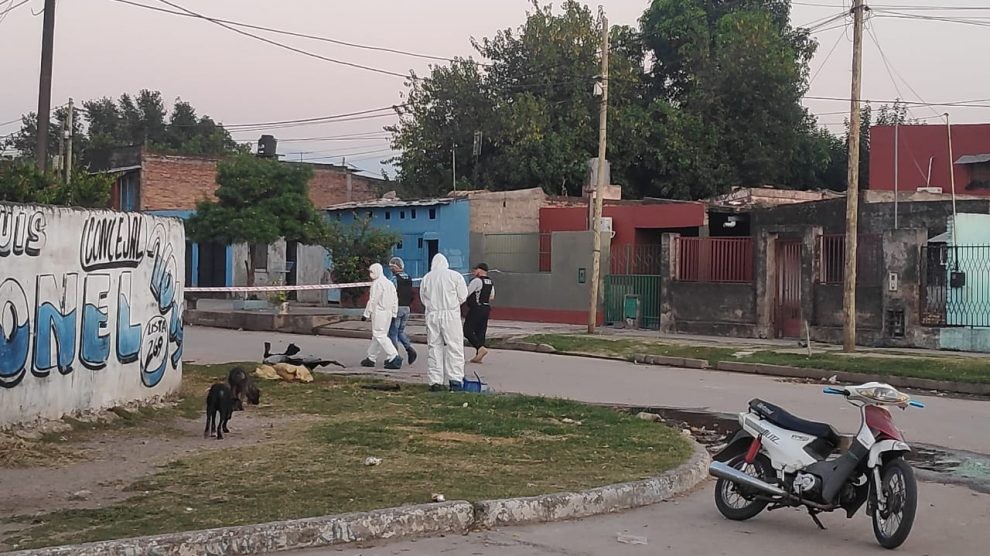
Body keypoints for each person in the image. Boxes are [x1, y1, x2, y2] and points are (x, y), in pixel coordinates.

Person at [419, 253, 468, 391]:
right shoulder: (455, 276)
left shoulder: (426, 278)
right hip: (451, 315)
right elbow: (463, 296)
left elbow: (423, 298)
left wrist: (433, 307)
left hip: (433, 315)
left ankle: (435, 382)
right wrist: (452, 305)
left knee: (434, 347)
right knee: (454, 347)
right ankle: (455, 380)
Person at [360, 263, 403, 370]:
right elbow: (395, 299)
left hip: (379, 313)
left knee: (380, 335)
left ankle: (394, 356)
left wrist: (366, 314)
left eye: (372, 272)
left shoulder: (377, 284)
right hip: (388, 313)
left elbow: (373, 300)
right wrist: (394, 313)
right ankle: (371, 358)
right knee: (377, 336)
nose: (371, 274)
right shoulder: (389, 283)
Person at [387, 256, 417, 365]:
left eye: (391, 267)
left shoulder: (394, 279)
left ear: (395, 268)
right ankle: (409, 349)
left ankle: (395, 357)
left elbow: (390, 293)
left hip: (397, 308)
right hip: (407, 308)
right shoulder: (408, 277)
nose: (390, 269)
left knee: (392, 333)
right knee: (400, 331)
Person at [464, 262, 495, 363]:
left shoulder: (477, 281)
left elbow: (466, 293)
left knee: (467, 330)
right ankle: (479, 356)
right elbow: (492, 296)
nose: (474, 272)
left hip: (476, 308)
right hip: (486, 308)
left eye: (475, 270)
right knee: (480, 332)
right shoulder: (490, 282)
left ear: (480, 270)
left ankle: (480, 348)